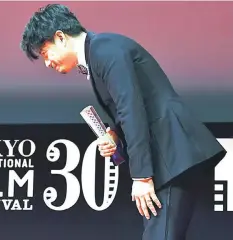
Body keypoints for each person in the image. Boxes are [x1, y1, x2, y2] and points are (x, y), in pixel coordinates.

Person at [20, 4, 227, 239]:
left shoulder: (104, 51)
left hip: (172, 153)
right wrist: (115, 133)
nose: (47, 63)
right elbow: (134, 105)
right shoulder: (100, 52)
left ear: (61, 37)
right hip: (169, 156)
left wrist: (141, 177)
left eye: (46, 54)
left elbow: (131, 109)